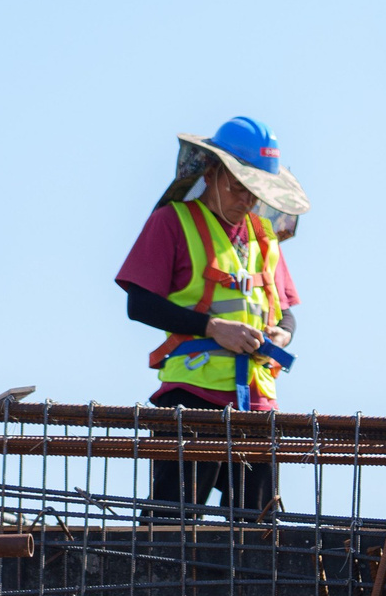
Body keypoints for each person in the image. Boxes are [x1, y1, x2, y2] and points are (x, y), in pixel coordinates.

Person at [114, 118, 310, 513]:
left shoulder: (264, 236)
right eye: (238, 186)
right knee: (172, 523)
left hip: (256, 402)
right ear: (211, 173)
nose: (246, 200)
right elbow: (139, 303)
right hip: (192, 396)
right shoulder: (172, 221)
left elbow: (287, 313)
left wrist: (283, 334)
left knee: (259, 529)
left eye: (255, 191)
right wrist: (212, 328)